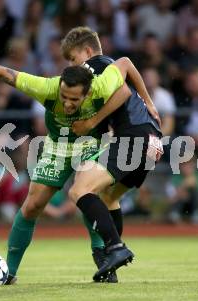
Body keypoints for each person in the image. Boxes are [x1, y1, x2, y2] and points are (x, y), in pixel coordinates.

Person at [0, 55, 136, 283]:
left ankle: (104, 258)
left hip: (91, 144)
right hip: (56, 147)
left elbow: (124, 69)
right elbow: (3, 72)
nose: (66, 103)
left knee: (86, 191)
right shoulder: (46, 88)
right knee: (32, 206)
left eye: (74, 100)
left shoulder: (101, 86)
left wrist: (146, 103)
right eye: (63, 96)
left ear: (88, 92)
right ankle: (10, 272)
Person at [61, 26, 163, 281]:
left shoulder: (93, 66)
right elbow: (127, 67)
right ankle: (112, 266)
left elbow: (124, 81)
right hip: (153, 141)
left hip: (134, 135)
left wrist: (91, 122)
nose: (74, 66)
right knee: (109, 197)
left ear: (86, 51)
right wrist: (149, 102)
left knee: (79, 190)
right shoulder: (108, 68)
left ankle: (115, 249)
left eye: (73, 59)